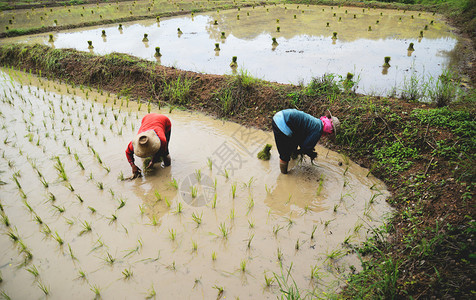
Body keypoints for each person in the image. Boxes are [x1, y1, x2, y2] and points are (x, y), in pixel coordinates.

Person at [272, 109, 340, 174]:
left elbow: (301, 139)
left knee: (293, 144)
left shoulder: (316, 122)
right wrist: (311, 154)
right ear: (330, 130)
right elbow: (305, 147)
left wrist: (301, 149)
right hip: (282, 123)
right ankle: (284, 176)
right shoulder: (318, 130)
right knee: (285, 155)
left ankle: (292, 157)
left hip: (281, 116)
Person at [126, 113, 171, 178]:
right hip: (147, 118)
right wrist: (133, 165)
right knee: (144, 150)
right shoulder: (135, 142)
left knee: (165, 153)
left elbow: (160, 151)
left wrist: (153, 161)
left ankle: (168, 170)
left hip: (164, 121)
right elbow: (127, 152)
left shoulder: (162, 140)